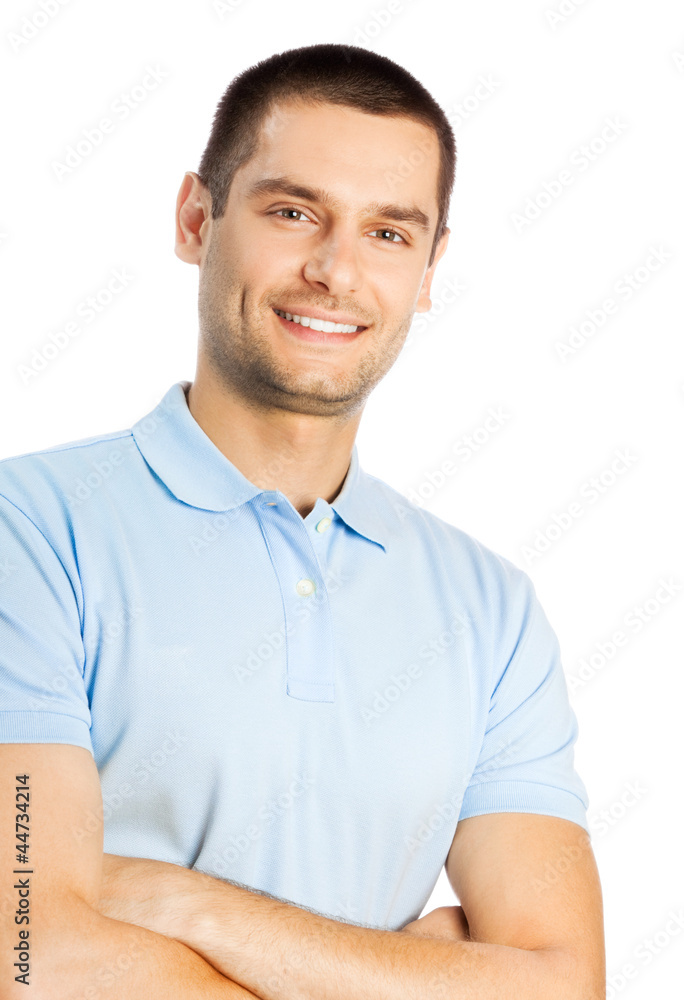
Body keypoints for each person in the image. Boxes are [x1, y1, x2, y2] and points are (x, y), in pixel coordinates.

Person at [0, 43, 604, 1000]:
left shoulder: (492, 611)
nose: (335, 271)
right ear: (197, 218)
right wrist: (410, 977)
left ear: (430, 266)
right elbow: (26, 952)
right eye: (293, 212)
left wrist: (183, 903)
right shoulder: (27, 533)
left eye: (388, 234)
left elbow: (560, 986)